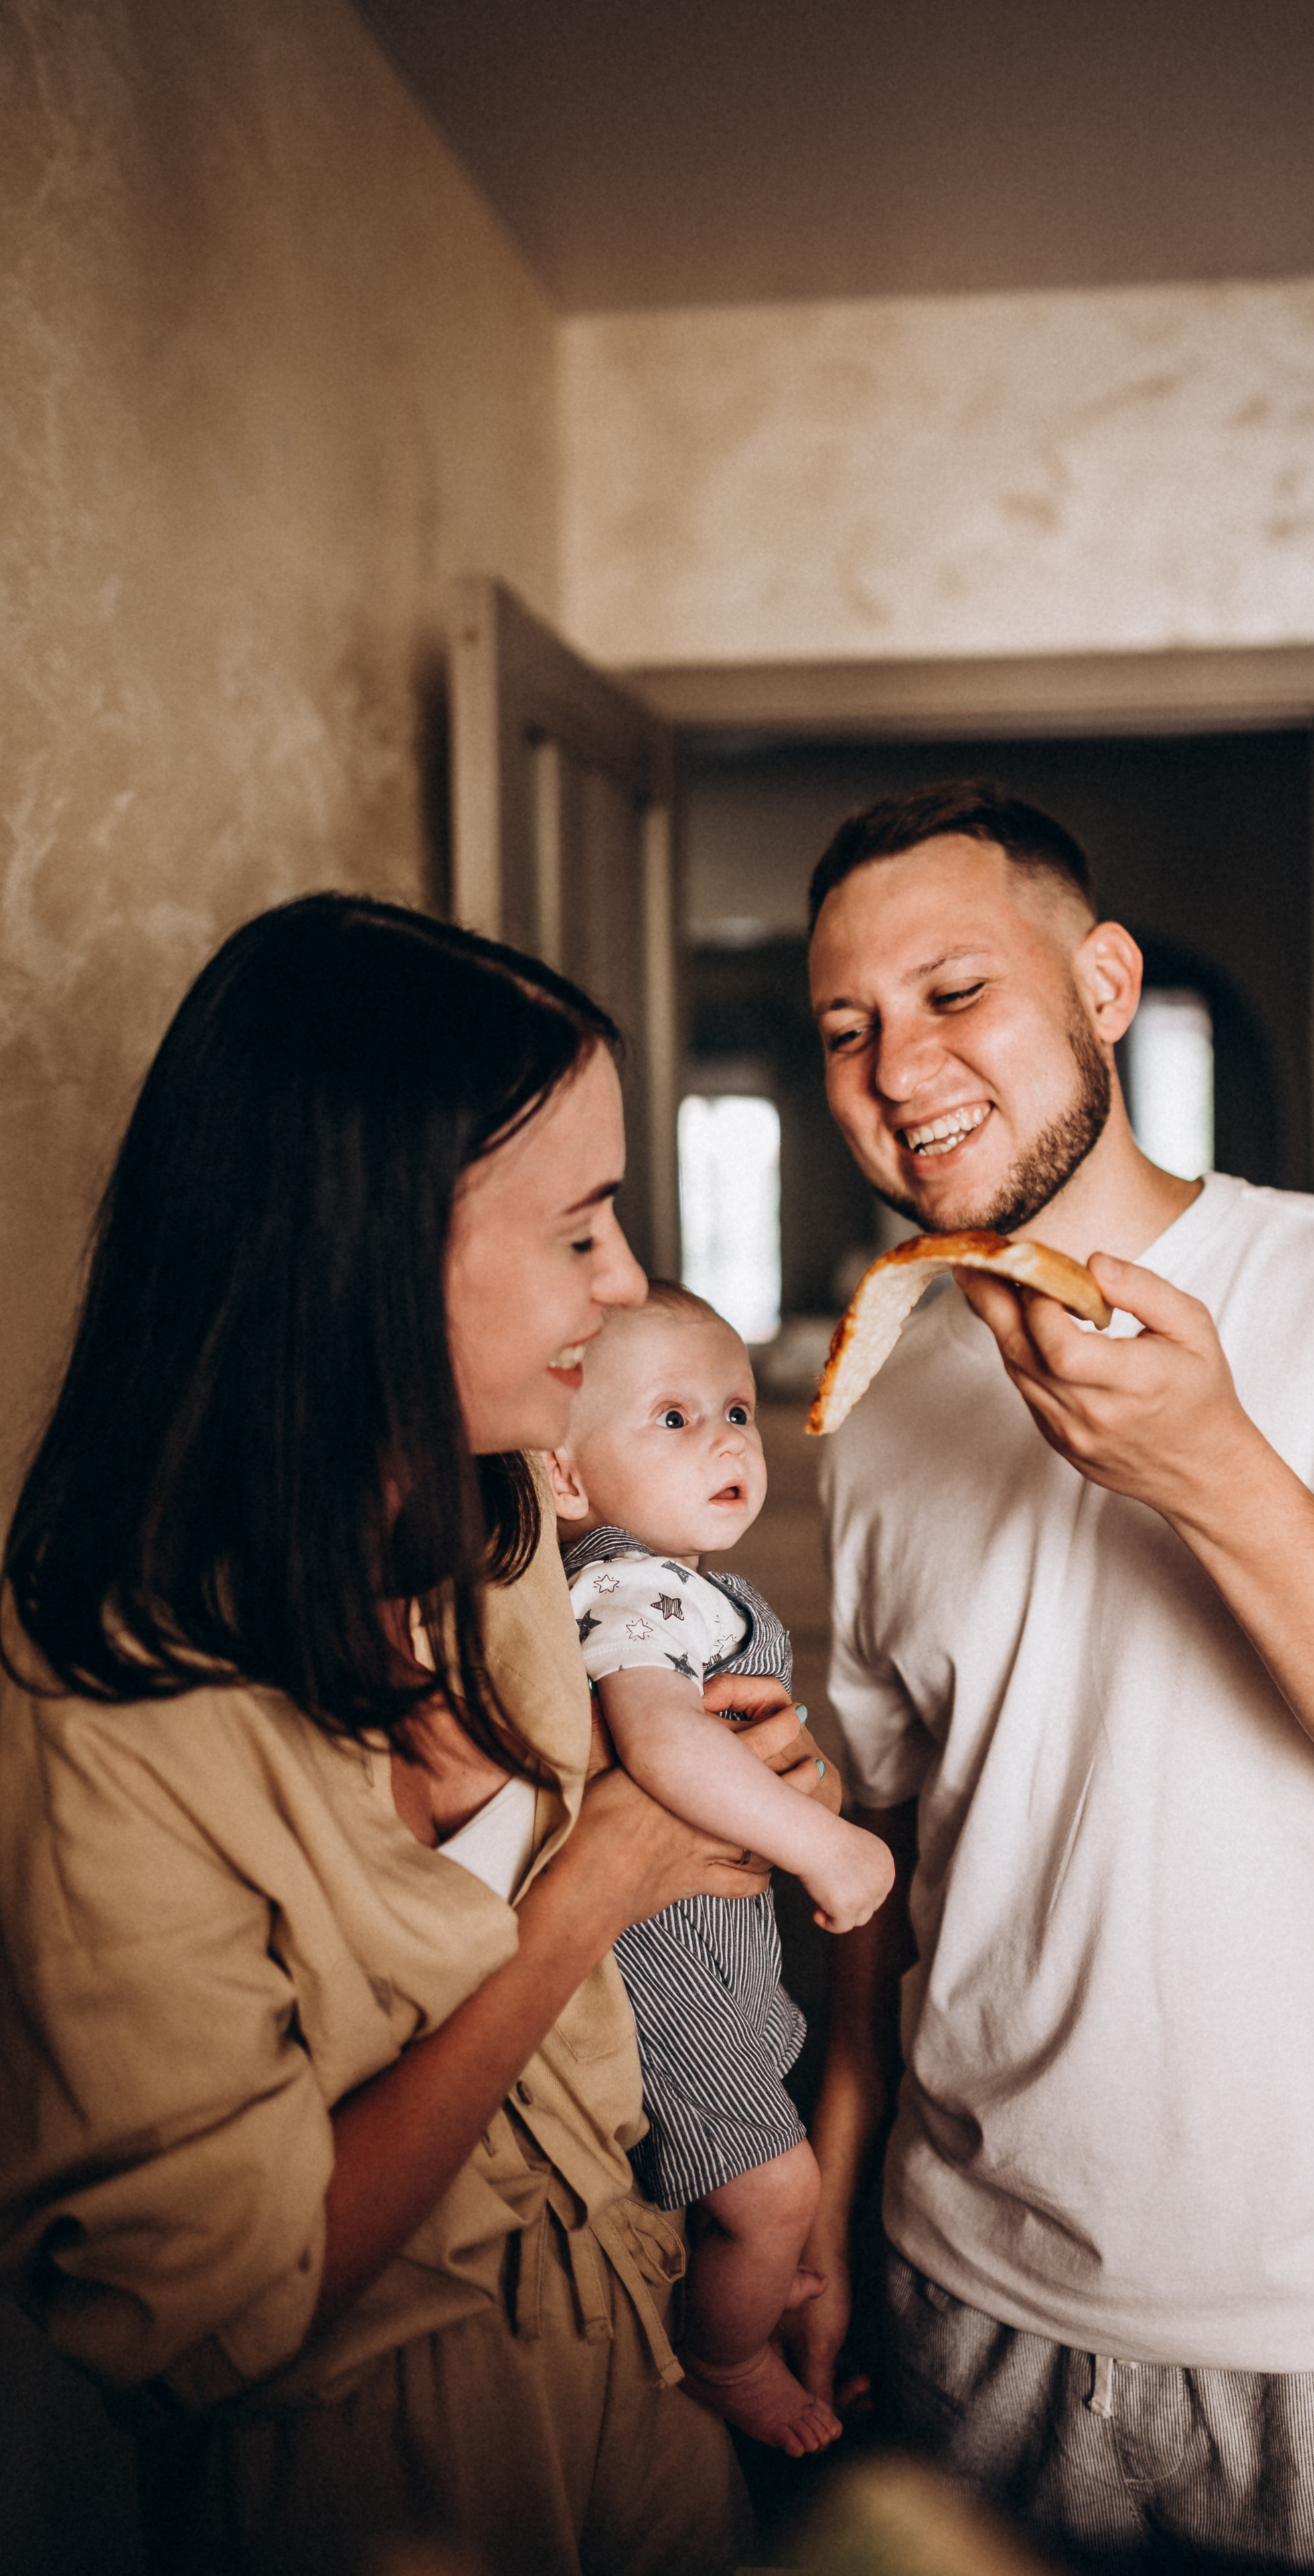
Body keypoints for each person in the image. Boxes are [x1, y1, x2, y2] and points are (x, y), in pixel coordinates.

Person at [790, 783, 1314, 2573]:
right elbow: (884, 1874)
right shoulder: (888, 1396)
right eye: (850, 1028)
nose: (900, 1067)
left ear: (1105, 983)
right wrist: (827, 2210)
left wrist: (1213, 1467)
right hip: (971, 2310)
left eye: (952, 992)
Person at [0, 893, 838, 2576]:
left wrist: (732, 1798)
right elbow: (209, 2302)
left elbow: (652, 1823)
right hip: (360, 2477)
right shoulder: (102, 1696)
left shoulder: (520, 1534)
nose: (619, 1293)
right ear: (372, 1243)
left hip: (650, 2352)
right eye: (582, 1230)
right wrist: (589, 1893)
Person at [546, 1281, 892, 2459]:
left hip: (719, 1959)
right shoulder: (624, 1584)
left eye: (736, 1410)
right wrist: (825, 1842)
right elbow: (657, 1739)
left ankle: (733, 2283)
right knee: (773, 2188)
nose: (728, 1439)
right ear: (567, 1478)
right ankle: (729, 2356)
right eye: (674, 1419)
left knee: (751, 2175)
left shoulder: (683, 1586)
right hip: (662, 1967)